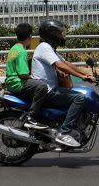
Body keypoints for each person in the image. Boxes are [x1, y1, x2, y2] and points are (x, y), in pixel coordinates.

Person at [31, 20, 95, 148]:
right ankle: (64, 132)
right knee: (79, 98)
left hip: (50, 89)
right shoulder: (44, 47)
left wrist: (86, 74)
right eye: (58, 33)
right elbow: (59, 65)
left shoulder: (51, 49)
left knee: (77, 93)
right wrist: (82, 76)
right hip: (47, 91)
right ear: (50, 34)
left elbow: (66, 63)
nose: (61, 35)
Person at [3, 23, 48, 130]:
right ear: (30, 37)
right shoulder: (22, 51)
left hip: (10, 81)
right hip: (17, 82)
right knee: (42, 86)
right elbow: (23, 74)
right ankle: (31, 116)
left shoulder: (14, 48)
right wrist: (33, 78)